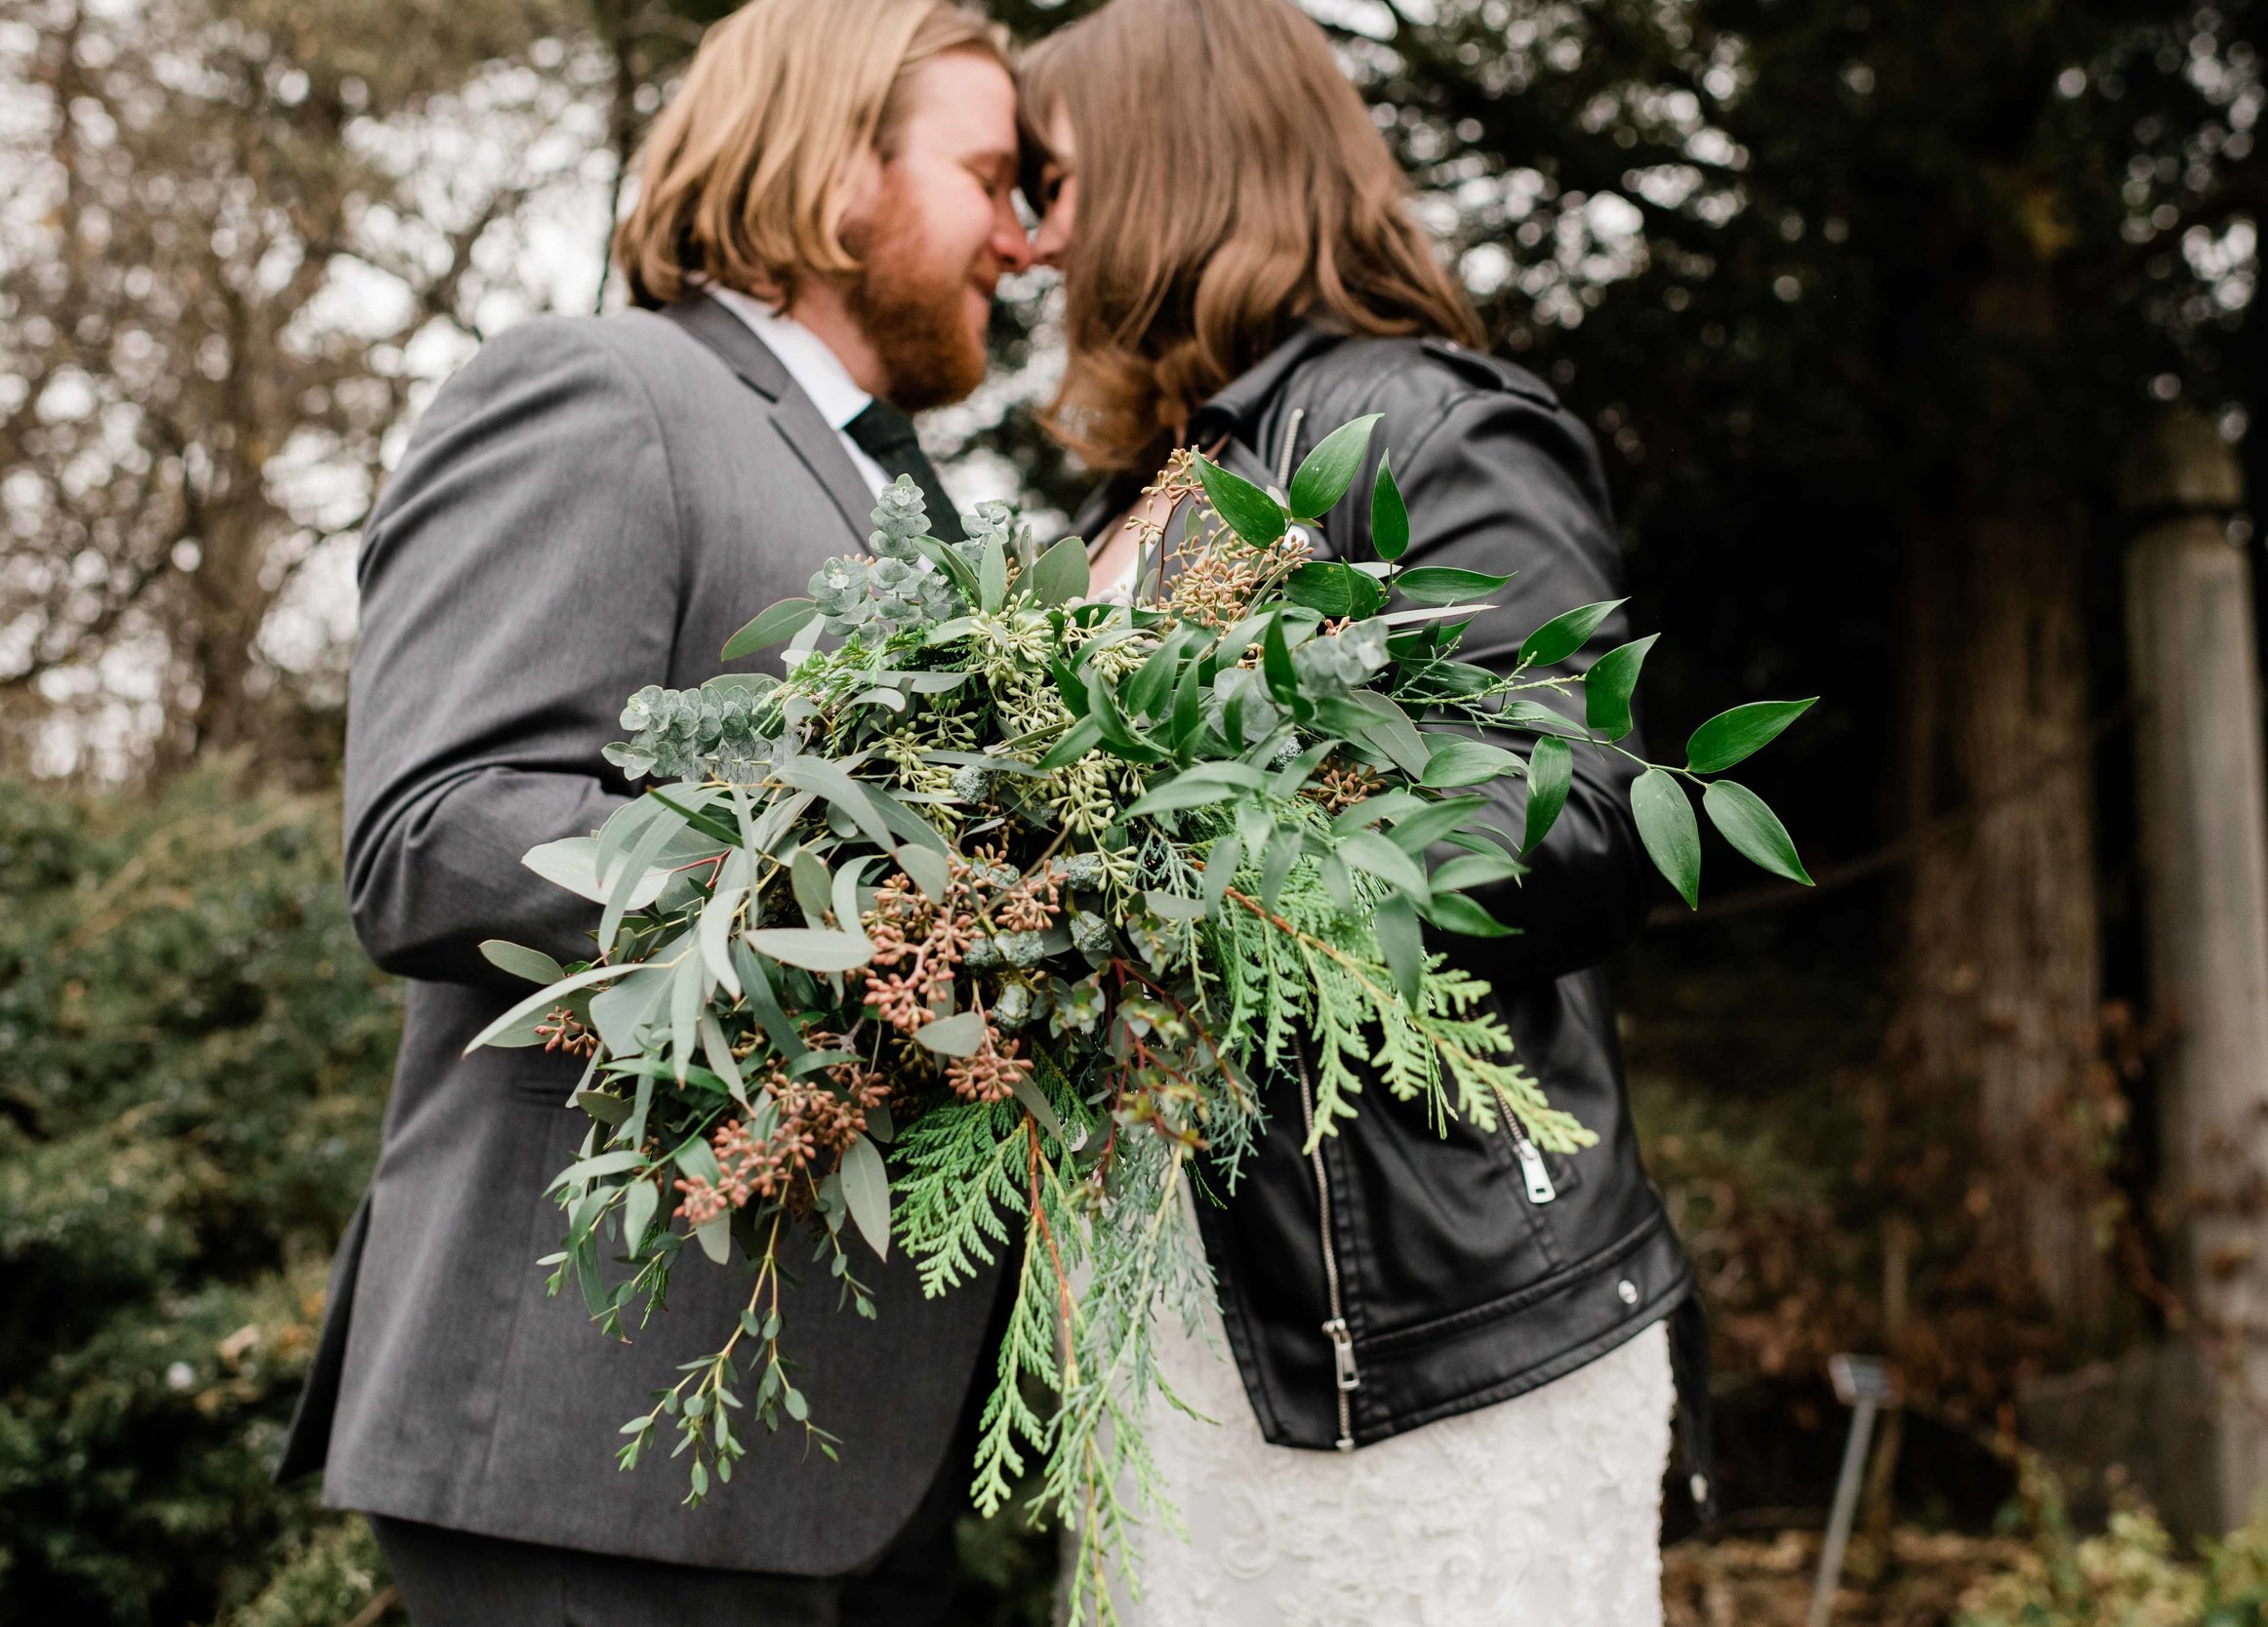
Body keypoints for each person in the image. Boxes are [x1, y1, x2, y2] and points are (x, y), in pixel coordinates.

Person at [271, 3, 1032, 1622]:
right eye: (990, 176)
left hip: (820, 1456)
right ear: (839, 175)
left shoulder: (900, 498)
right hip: (598, 1445)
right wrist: (876, 909)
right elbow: (438, 831)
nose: (1022, 241)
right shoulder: (602, 392)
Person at [1019, 1, 1711, 1622]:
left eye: (1052, 180)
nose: (1033, 238)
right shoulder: (1156, 493)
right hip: (1196, 1334)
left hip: (1415, 1332)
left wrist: (1193, 868)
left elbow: (1591, 813)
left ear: (1158, 169)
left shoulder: (1427, 426)